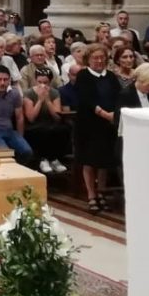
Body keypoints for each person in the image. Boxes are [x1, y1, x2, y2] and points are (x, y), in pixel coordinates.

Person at [73, 44, 120, 214]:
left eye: (102, 57)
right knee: (89, 161)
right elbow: (86, 99)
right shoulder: (84, 76)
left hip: (107, 126)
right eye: (95, 58)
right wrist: (104, 113)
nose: (99, 61)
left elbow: (117, 97)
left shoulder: (112, 77)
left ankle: (102, 192)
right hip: (89, 124)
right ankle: (91, 195)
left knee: (104, 162)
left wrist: (113, 114)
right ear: (89, 59)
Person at [21, 66, 68, 174]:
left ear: (50, 82)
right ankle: (43, 159)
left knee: (62, 129)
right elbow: (31, 118)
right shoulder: (28, 93)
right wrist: (40, 100)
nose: (42, 85)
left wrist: (47, 100)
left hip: (50, 123)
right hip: (34, 126)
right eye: (39, 82)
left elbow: (57, 117)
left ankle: (53, 159)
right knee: (42, 131)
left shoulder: (54, 93)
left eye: (45, 82)